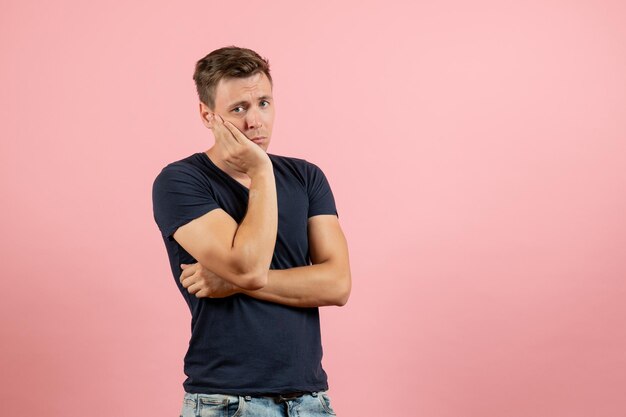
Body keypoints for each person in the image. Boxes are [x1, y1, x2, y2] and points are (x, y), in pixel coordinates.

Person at [151, 46, 351, 417]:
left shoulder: (307, 177)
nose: (255, 121)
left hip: (310, 400)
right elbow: (247, 265)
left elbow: (337, 284)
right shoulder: (180, 181)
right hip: (227, 401)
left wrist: (236, 283)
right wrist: (261, 172)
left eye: (263, 103)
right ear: (207, 115)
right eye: (238, 109)